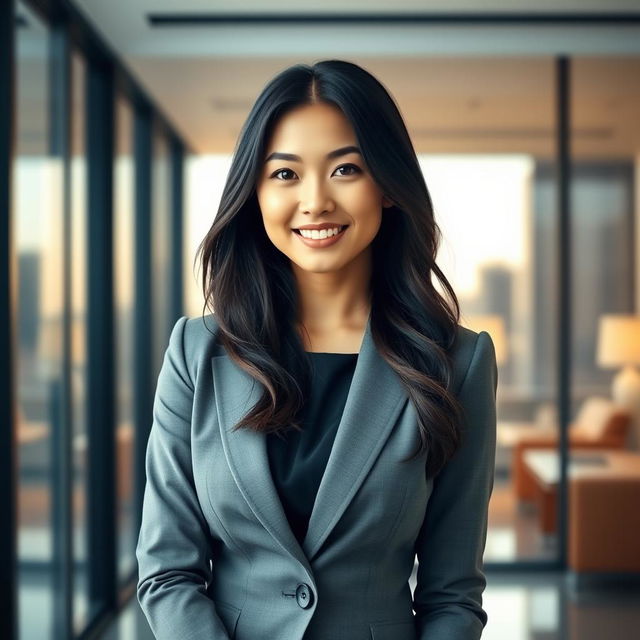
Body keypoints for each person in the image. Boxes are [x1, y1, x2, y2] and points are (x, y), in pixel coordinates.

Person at [136, 59, 498, 640]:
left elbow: (452, 595)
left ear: (389, 187)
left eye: (346, 169)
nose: (315, 201)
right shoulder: (194, 352)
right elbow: (167, 573)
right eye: (285, 174)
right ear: (253, 192)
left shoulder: (458, 362)